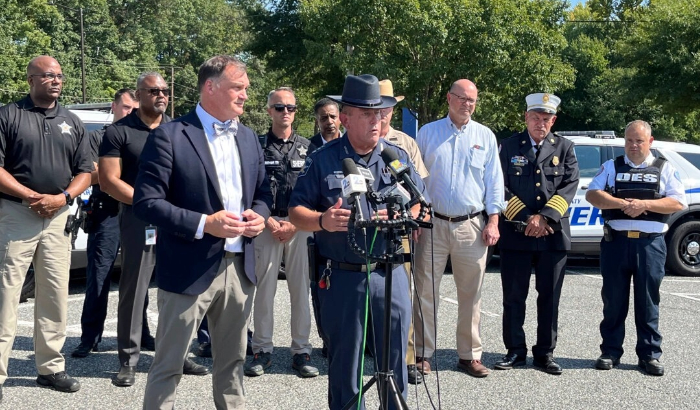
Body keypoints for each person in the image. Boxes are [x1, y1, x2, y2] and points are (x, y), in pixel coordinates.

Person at [134, 54, 271, 409]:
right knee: (168, 365)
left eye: (246, 89)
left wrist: (259, 215)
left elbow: (263, 195)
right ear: (210, 87)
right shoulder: (170, 136)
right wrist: (204, 223)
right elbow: (146, 203)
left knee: (233, 364)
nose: (245, 95)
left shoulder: (249, 139)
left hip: (240, 267)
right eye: (238, 88)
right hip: (188, 268)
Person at [289, 74, 426, 410]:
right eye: (367, 114)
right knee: (346, 369)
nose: (376, 120)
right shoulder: (323, 158)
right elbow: (295, 211)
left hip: (389, 274)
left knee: (395, 363)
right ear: (346, 118)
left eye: (380, 113)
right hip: (344, 278)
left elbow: (418, 200)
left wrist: (401, 217)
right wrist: (322, 220)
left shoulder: (396, 158)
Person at [100, 72, 209, 386]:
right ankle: (129, 359)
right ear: (139, 95)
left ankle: (176, 354)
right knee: (135, 289)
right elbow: (109, 180)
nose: (161, 95)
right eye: (153, 91)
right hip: (139, 218)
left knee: (178, 288)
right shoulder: (119, 131)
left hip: (177, 219)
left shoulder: (179, 129)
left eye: (164, 91)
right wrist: (149, 202)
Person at [0, 55, 92, 394]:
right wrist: (30, 196)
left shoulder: (72, 121)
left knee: (54, 294)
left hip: (58, 218)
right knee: (6, 293)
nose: (56, 80)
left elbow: (86, 171)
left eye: (60, 75)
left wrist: (63, 198)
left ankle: (51, 368)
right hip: (16, 215)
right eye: (48, 75)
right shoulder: (9, 115)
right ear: (31, 79)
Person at [413, 79, 504, 378]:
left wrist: (493, 221)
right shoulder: (427, 133)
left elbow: (494, 183)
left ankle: (469, 355)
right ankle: (423, 354)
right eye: (462, 98)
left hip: (471, 227)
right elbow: (415, 179)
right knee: (425, 291)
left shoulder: (485, 136)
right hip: (432, 223)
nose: (468, 104)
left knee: (471, 294)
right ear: (449, 99)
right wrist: (417, 216)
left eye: (473, 100)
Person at [586, 120, 686, 376]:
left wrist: (645, 205)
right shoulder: (611, 166)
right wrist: (620, 202)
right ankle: (610, 351)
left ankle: (650, 355)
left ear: (650, 142)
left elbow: (677, 202)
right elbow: (593, 195)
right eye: (629, 140)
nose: (633, 145)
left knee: (648, 302)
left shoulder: (664, 168)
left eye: (639, 141)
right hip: (616, 242)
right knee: (613, 301)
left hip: (649, 244)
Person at [495, 93, 579, 375]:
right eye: (535, 117)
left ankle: (545, 353)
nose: (540, 123)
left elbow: (569, 186)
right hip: (516, 234)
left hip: (552, 235)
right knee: (514, 297)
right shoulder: (508, 146)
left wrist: (544, 219)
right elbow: (499, 187)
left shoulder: (565, 147)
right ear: (526, 117)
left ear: (553, 121)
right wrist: (525, 217)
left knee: (549, 298)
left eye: (545, 119)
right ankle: (515, 351)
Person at [245, 87, 317, 378]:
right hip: (267, 225)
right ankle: (262, 350)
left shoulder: (308, 147)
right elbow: (248, 188)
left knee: (301, 289)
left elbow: (316, 191)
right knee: (265, 291)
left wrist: (296, 224)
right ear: (268, 111)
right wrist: (268, 221)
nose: (285, 112)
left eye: (290, 107)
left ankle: (301, 351)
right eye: (279, 107)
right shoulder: (256, 146)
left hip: (299, 226)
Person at [72, 88, 139, 358]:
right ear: (113, 107)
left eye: (135, 109)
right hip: (107, 211)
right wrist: (114, 173)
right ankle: (90, 337)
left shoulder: (140, 136)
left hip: (136, 212)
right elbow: (92, 175)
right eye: (125, 108)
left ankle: (140, 333)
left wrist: (111, 171)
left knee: (137, 277)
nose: (130, 113)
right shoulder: (98, 137)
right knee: (99, 277)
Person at [378, 79, 428, 385]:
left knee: (400, 296)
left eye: (387, 107)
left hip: (399, 231)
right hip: (364, 230)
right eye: (378, 106)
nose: (382, 114)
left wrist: (416, 219)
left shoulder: (406, 143)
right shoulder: (352, 138)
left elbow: (420, 186)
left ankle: (406, 358)